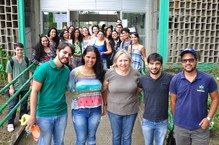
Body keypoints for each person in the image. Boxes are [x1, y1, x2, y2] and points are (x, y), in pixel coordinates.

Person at [170, 48, 219, 145]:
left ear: (196, 60)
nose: (188, 63)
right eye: (185, 60)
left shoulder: (207, 79)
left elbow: (215, 99)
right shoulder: (175, 80)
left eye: (191, 60)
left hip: (200, 127)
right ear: (181, 62)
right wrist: (177, 120)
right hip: (181, 128)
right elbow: (173, 102)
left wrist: (208, 118)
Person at [27, 43, 74, 145]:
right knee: (45, 142)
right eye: (64, 52)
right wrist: (32, 116)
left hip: (61, 113)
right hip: (44, 114)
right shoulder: (43, 69)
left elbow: (64, 88)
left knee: (59, 142)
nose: (66, 56)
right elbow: (34, 91)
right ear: (57, 51)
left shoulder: (66, 71)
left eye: (69, 54)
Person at [67, 46, 105, 145]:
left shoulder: (100, 72)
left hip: (95, 109)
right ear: (83, 56)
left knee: (92, 137)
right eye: (88, 57)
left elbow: (104, 90)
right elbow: (70, 88)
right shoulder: (75, 72)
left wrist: (105, 106)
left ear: (97, 59)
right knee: (81, 138)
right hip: (79, 110)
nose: (90, 60)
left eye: (93, 58)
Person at [102, 49, 141, 145]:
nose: (123, 63)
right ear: (115, 62)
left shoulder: (136, 73)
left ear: (130, 61)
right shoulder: (109, 73)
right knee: (116, 136)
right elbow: (103, 90)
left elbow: (139, 89)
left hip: (131, 110)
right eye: (120, 60)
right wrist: (105, 104)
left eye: (126, 60)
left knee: (127, 136)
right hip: (114, 111)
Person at [138, 53, 173, 145]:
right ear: (148, 64)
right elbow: (135, 92)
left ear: (161, 65)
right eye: (152, 63)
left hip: (162, 120)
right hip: (147, 120)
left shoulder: (169, 78)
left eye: (157, 63)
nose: (154, 66)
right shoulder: (143, 79)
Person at [6, 43, 33, 132]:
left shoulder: (27, 60)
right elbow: (9, 75)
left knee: (24, 104)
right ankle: (10, 122)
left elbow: (30, 72)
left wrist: (31, 83)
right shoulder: (11, 61)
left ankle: (22, 118)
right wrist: (11, 87)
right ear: (15, 50)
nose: (20, 51)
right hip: (15, 87)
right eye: (18, 50)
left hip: (25, 86)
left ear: (23, 50)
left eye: (21, 49)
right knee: (13, 105)